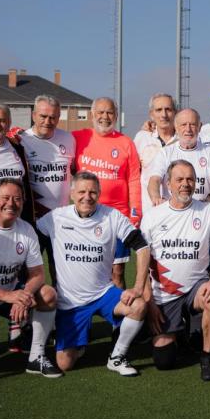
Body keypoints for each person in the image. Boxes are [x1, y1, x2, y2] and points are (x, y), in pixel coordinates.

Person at [36, 172, 151, 376]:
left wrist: (138, 287)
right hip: (69, 301)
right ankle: (80, 338)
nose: (86, 197)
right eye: (81, 192)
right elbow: (31, 243)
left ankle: (117, 357)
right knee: (64, 364)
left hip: (102, 294)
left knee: (138, 306)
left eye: (92, 192)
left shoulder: (112, 216)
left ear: (99, 194)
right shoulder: (55, 218)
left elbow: (142, 247)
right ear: (72, 193)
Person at [0, 178, 60, 379]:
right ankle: (4, 334)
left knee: (48, 294)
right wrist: (9, 296)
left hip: (11, 295)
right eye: (6, 198)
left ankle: (36, 357)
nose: (12, 203)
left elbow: (37, 274)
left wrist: (23, 295)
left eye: (18, 199)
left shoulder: (26, 229)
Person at [141, 160, 210, 381]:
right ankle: (179, 331)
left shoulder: (208, 210)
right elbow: (142, 263)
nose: (185, 184)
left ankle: (207, 357)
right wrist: (149, 302)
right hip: (163, 294)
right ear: (168, 184)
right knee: (164, 361)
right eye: (179, 179)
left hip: (196, 288)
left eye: (190, 179)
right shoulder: (153, 216)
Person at [72, 97, 142, 289]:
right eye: (100, 112)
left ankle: (118, 318)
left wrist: (134, 215)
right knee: (85, 271)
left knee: (117, 272)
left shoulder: (126, 143)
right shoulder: (77, 137)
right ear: (92, 114)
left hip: (117, 217)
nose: (105, 117)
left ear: (116, 116)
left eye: (110, 112)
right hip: (85, 218)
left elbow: (134, 180)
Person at [147, 108, 210, 207]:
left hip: (202, 211)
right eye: (183, 125)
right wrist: (156, 198)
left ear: (199, 127)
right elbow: (154, 180)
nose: (188, 129)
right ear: (176, 127)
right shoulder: (165, 152)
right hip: (174, 213)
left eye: (192, 124)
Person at [16, 95, 75, 220]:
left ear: (59, 118)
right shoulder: (21, 140)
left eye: (52, 117)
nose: (47, 122)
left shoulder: (69, 139)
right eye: (43, 116)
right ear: (34, 116)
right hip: (34, 216)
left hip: (62, 216)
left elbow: (74, 169)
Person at [134, 93, 178, 218]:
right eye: (159, 110)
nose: (163, 115)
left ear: (175, 112)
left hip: (178, 213)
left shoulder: (183, 141)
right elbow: (133, 176)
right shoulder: (142, 138)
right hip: (148, 212)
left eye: (168, 109)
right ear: (151, 114)